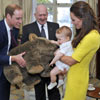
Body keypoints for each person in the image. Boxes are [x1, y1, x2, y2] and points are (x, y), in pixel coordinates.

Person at [55, 1, 100, 100]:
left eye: (73, 19)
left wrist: (57, 54)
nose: (72, 22)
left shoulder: (92, 36)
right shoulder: (85, 33)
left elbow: (72, 60)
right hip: (72, 75)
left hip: (77, 79)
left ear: (83, 18)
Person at [21, 4, 60, 100]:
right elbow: (23, 49)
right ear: (35, 15)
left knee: (54, 94)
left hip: (52, 68)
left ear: (47, 14)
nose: (42, 18)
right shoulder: (27, 29)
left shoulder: (55, 26)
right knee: (39, 95)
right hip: (37, 70)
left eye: (44, 15)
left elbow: (59, 45)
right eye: (40, 15)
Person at [0, 4, 26, 100]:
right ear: (8, 16)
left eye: (21, 18)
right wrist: (13, 58)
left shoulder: (15, 29)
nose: (20, 22)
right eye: (17, 18)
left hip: (6, 70)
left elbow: (11, 48)